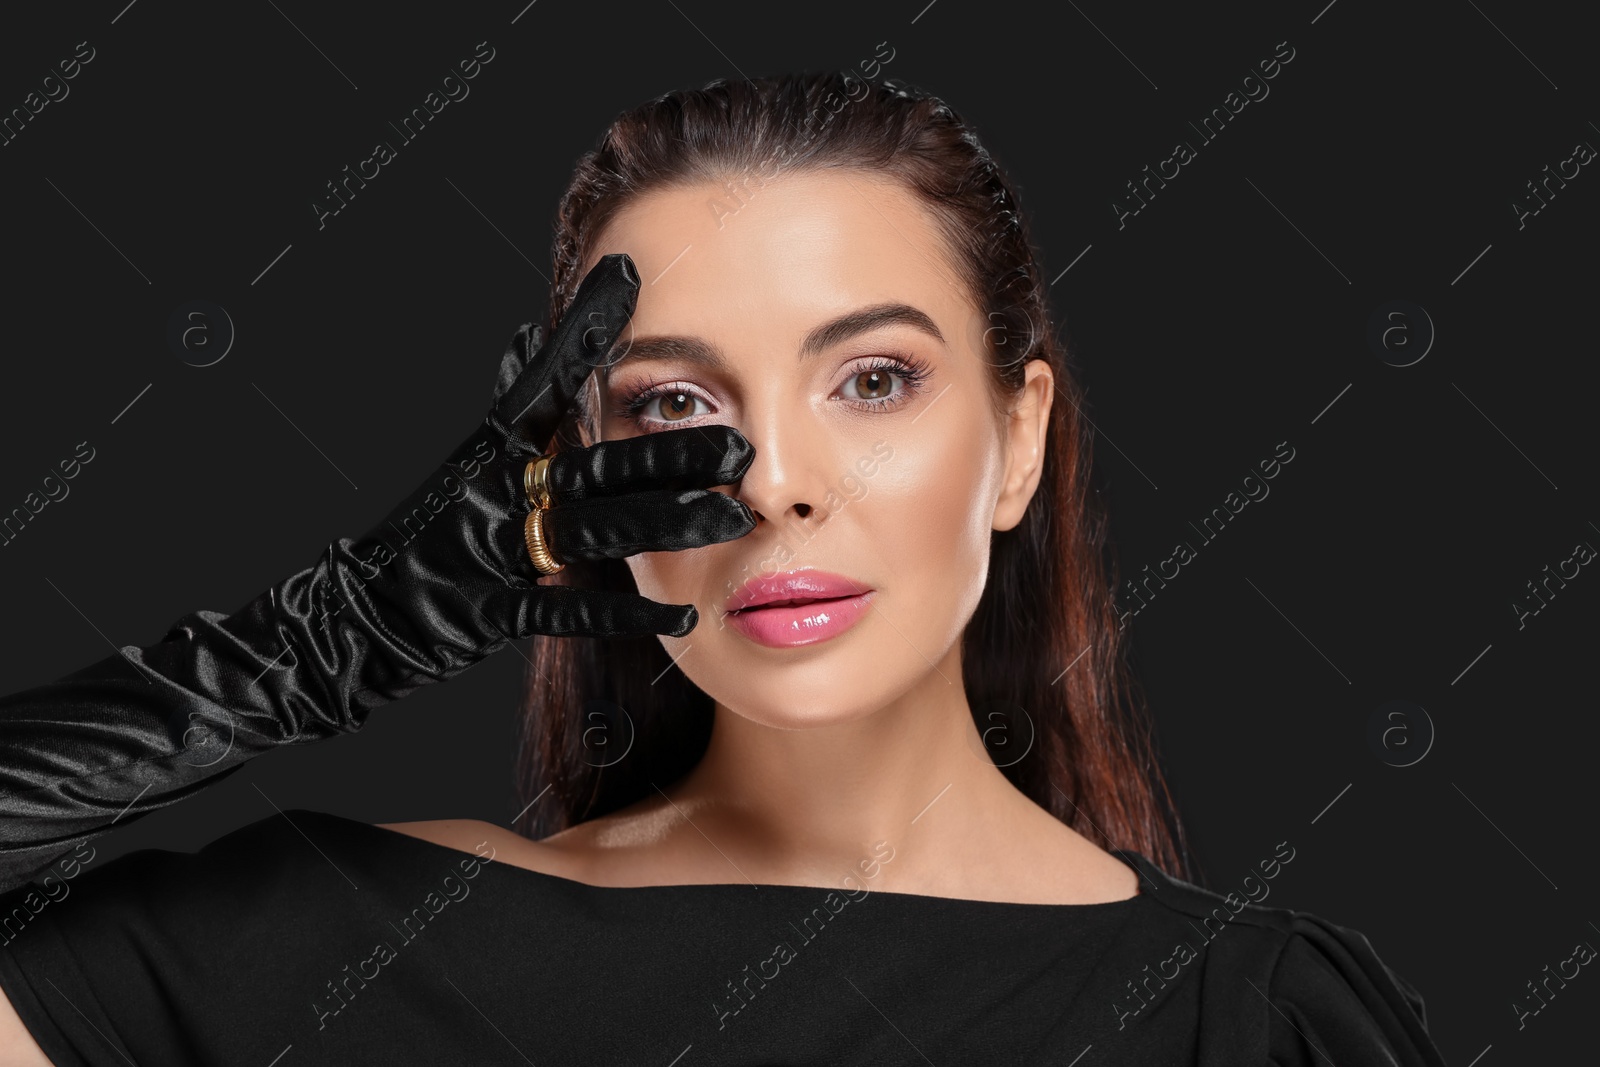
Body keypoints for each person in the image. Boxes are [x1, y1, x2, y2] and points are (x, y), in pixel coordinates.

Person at [0, 71, 1447, 1065]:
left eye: (873, 380)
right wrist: (322, 644)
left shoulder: (1252, 1023)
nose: (773, 485)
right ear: (577, 472)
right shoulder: (352, 945)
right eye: (675, 407)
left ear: (1019, 441)